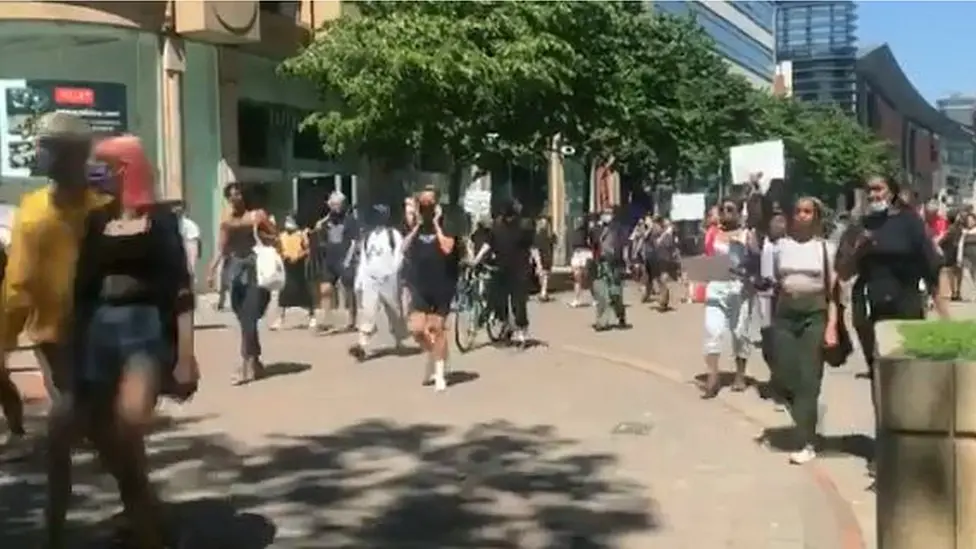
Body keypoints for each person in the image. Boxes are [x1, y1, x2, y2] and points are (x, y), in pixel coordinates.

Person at [71, 135, 198, 548]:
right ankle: (142, 510)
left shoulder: (160, 222)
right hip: (98, 331)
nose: (95, 173)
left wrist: (186, 357)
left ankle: (149, 532)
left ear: (125, 169)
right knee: (104, 436)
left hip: (144, 329)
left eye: (102, 165)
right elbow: (81, 289)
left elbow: (181, 289)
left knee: (129, 425)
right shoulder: (95, 220)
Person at [0, 113, 113, 542]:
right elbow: (17, 286)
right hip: (54, 341)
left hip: (93, 339)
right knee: (80, 433)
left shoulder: (101, 210)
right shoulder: (35, 210)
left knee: (68, 435)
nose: (37, 153)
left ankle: (62, 529)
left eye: (45, 146)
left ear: (68, 155)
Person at [836, 176, 946, 475]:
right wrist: (858, 249)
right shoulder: (858, 226)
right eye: (869, 190)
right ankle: (883, 446)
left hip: (906, 306)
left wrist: (943, 309)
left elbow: (931, 265)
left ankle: (910, 444)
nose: (873, 195)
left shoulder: (909, 223)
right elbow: (843, 272)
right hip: (870, 308)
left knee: (907, 373)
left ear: (892, 193)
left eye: (879, 189)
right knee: (879, 375)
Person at [762, 197, 838, 464]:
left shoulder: (826, 249)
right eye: (798, 211)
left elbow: (835, 294)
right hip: (785, 315)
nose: (803, 216)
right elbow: (773, 286)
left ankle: (807, 440)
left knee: (809, 378)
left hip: (813, 316)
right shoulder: (780, 247)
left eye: (808, 212)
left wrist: (831, 326)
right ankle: (805, 417)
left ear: (816, 217)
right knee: (785, 373)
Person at [207, 182, 275, 384]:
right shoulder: (226, 221)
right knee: (243, 317)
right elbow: (221, 248)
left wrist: (262, 233)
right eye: (230, 196)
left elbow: (274, 236)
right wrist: (211, 270)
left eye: (238, 194)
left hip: (256, 271)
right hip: (235, 272)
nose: (234, 199)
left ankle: (245, 366)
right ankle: (255, 360)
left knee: (249, 317)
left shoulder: (257, 216)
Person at [403, 187, 460, 391]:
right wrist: (417, 226)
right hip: (420, 285)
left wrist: (436, 224)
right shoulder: (415, 227)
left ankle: (439, 372)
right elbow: (403, 248)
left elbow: (447, 248)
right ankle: (435, 354)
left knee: (437, 329)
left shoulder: (448, 224)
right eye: (423, 205)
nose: (426, 209)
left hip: (443, 285)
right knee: (418, 330)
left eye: (430, 204)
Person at [698, 199, 752, 399]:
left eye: (731, 209)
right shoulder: (713, 233)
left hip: (739, 288)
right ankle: (713, 378)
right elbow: (707, 256)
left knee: (739, 333)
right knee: (712, 330)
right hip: (717, 285)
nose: (726, 213)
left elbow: (755, 258)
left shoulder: (747, 234)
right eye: (723, 209)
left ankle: (740, 374)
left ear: (739, 213)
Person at [472, 199, 538, 344]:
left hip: (519, 269)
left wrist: (537, 264)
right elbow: (488, 245)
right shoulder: (497, 227)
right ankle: (504, 322)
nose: (507, 217)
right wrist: (476, 260)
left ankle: (522, 329)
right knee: (496, 297)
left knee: (518, 301)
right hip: (502, 269)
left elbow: (532, 247)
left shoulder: (523, 226)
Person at [349, 204, 407, 360]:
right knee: (368, 311)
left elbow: (399, 254)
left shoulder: (393, 235)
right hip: (371, 280)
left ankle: (399, 339)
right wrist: (359, 280)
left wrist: (393, 271)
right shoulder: (368, 237)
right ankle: (362, 344)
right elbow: (364, 260)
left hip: (388, 279)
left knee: (393, 310)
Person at [310, 191, 358, 332]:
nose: (335, 207)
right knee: (325, 289)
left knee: (348, 290)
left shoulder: (350, 220)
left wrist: (349, 259)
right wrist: (319, 227)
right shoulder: (328, 219)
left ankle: (352, 319)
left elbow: (355, 242)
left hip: (345, 259)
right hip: (330, 258)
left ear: (343, 204)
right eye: (333, 204)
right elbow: (318, 232)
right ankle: (326, 320)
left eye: (338, 204)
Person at [271, 214, 315, 330]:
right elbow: (278, 249)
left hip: (298, 266)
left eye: (290, 220)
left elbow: (308, 250)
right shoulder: (282, 236)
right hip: (286, 265)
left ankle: (312, 316)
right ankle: (280, 318)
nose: (288, 223)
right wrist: (283, 256)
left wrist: (299, 256)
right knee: (284, 291)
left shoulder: (301, 235)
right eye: (287, 220)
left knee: (303, 290)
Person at [589, 206, 629, 331]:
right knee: (602, 294)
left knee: (615, 294)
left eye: (609, 213)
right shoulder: (596, 229)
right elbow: (592, 243)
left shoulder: (618, 228)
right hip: (601, 264)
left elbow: (624, 246)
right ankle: (601, 322)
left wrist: (627, 263)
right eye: (605, 213)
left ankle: (620, 315)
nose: (607, 215)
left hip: (615, 265)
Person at [172, 200, 201, 283]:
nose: (177, 211)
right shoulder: (168, 224)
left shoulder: (190, 225)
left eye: (179, 209)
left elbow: (195, 242)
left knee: (189, 270)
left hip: (188, 247)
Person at [567, 216, 593, 308]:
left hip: (585, 253)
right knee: (577, 278)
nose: (578, 223)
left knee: (587, 277)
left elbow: (592, 242)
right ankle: (577, 299)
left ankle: (595, 298)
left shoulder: (588, 232)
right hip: (577, 253)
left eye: (579, 221)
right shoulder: (573, 232)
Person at [533, 216, 556, 301]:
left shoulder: (538, 234)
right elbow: (555, 244)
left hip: (543, 256)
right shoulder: (549, 234)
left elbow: (534, 248)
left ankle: (543, 292)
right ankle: (543, 292)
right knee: (544, 275)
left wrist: (537, 260)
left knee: (543, 275)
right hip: (545, 256)